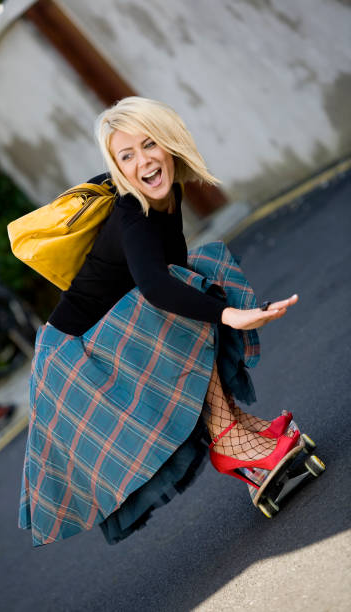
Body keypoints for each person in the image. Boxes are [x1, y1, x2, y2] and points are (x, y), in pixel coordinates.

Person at [18, 97, 299, 547]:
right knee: (181, 299)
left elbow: (172, 277)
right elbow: (155, 287)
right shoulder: (134, 214)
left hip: (103, 332)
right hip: (73, 355)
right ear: (116, 167)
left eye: (149, 144)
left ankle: (232, 428)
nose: (143, 161)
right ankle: (229, 439)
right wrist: (231, 314)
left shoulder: (169, 194)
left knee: (196, 282)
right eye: (126, 156)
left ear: (169, 143)